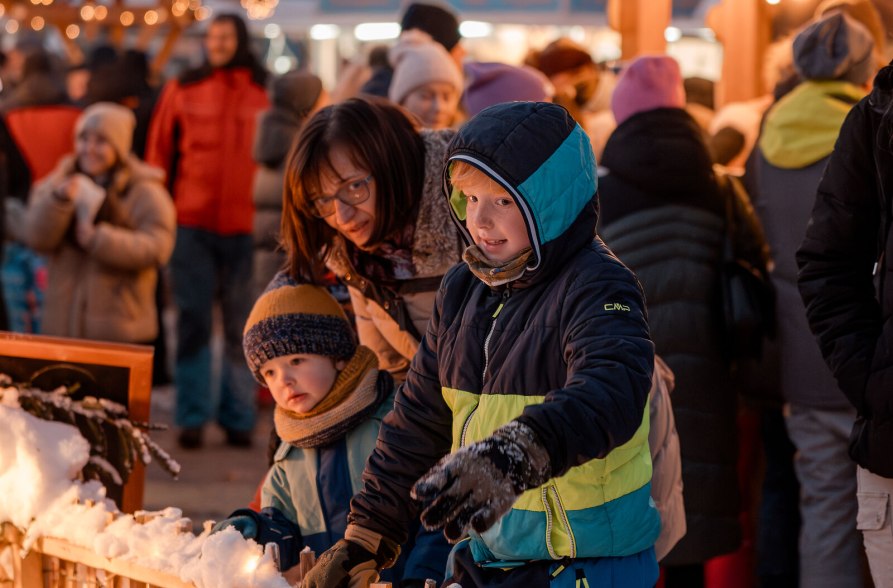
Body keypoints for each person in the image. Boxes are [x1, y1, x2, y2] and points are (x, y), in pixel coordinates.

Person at [302, 101, 660, 587]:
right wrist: (367, 534)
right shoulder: (463, 289)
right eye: (469, 200)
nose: (480, 221)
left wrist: (519, 451)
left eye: (502, 201)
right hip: (492, 558)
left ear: (549, 200)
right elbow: (418, 420)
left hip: (588, 563)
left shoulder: (598, 285)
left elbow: (611, 391)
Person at [597, 55, 770, 587]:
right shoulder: (718, 185)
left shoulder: (598, 191)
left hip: (628, 376)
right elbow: (753, 265)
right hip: (709, 371)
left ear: (621, 115)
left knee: (631, 512)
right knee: (691, 505)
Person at [751, 13, 876, 587]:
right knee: (883, 516)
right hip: (870, 350)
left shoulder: (769, 132)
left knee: (823, 507)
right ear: (862, 65)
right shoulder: (872, 129)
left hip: (802, 351)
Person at [212, 283, 449, 585]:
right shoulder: (287, 454)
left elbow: (437, 518)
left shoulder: (395, 424)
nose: (284, 380)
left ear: (337, 356)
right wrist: (254, 530)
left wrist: (423, 577)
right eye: (269, 372)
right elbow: (285, 534)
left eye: (296, 361)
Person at [145, 13, 269, 449]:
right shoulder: (183, 87)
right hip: (191, 223)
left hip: (248, 225)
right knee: (193, 319)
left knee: (243, 322)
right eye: (212, 36)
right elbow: (157, 153)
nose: (217, 43)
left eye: (226, 36)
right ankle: (192, 417)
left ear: (240, 40)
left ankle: (237, 417)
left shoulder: (264, 89)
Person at [280, 96, 462, 380]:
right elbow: (389, 376)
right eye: (322, 200)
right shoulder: (355, 258)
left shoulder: (471, 215)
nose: (342, 217)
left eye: (353, 186)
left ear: (390, 165)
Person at [796, 59, 893, 588]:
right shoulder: (879, 114)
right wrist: (875, 382)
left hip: (808, 377)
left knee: (822, 512)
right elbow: (827, 264)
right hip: (880, 421)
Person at [10, 102, 174, 343]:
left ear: (119, 145)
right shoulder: (59, 180)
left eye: (101, 141)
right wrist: (59, 201)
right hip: (61, 328)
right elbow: (36, 237)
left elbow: (158, 247)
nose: (89, 149)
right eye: (83, 139)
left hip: (118, 332)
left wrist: (99, 239)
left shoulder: (143, 191)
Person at [252, 71, 327, 298]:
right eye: (322, 96)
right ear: (306, 103)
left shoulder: (275, 140)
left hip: (270, 254)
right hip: (292, 255)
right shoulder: (300, 147)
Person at [388, 33, 464, 130]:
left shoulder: (468, 141)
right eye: (426, 97)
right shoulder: (385, 143)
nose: (439, 108)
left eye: (447, 97)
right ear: (402, 101)